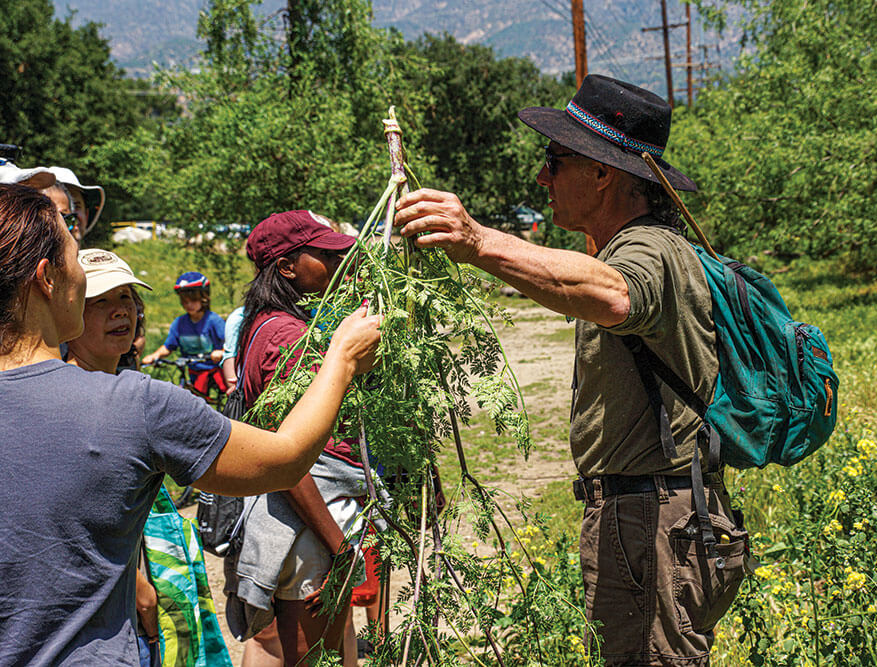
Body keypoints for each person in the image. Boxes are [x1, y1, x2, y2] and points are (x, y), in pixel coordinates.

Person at [395, 74, 747, 665]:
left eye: (555, 161)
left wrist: (479, 241)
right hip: (646, 512)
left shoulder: (651, 250)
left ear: (604, 172)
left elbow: (616, 298)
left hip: (653, 518)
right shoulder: (625, 247)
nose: (541, 177)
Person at [0, 184, 381, 665]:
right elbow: (283, 460)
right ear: (46, 279)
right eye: (76, 254)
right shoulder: (131, 406)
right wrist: (343, 360)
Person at [64, 248, 232, 667]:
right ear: (64, 312)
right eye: (99, 300)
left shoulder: (128, 387)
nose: (121, 310)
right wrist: (140, 590)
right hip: (114, 616)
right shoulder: (68, 397)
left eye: (126, 298)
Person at [227, 210, 377, 667]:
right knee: (322, 653)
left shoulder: (265, 324)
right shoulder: (285, 336)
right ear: (287, 267)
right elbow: (287, 460)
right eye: (325, 253)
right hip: (310, 521)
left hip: (302, 518)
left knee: (296, 646)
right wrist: (340, 545)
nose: (337, 261)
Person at [142, 271, 227, 399]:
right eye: (185, 301)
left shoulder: (214, 321)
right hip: (193, 371)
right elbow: (168, 347)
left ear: (204, 298)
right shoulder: (179, 323)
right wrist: (155, 355)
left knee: (224, 397)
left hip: (214, 371)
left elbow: (231, 344)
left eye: (193, 301)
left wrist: (221, 351)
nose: (188, 305)